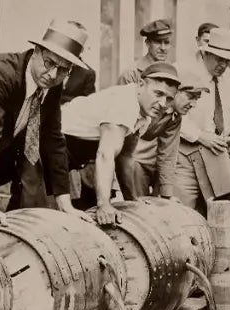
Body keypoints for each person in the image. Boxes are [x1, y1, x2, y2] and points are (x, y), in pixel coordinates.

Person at [0, 20, 86, 232]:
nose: (52, 74)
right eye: (49, 63)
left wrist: (65, 205)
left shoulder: (51, 83)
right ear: (37, 51)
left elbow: (53, 140)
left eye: (63, 70)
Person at [59, 66, 184, 221]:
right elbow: (105, 154)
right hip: (49, 143)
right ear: (140, 85)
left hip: (74, 154)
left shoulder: (144, 114)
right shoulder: (124, 103)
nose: (163, 103)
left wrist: (132, 200)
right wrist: (104, 204)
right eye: (158, 93)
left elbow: (124, 157)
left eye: (169, 98)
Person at [173, 15, 230, 215]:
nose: (222, 65)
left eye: (227, 61)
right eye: (218, 59)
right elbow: (172, 113)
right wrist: (200, 136)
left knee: (217, 211)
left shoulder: (225, 79)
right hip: (185, 153)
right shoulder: (183, 72)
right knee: (183, 210)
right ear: (205, 53)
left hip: (215, 155)